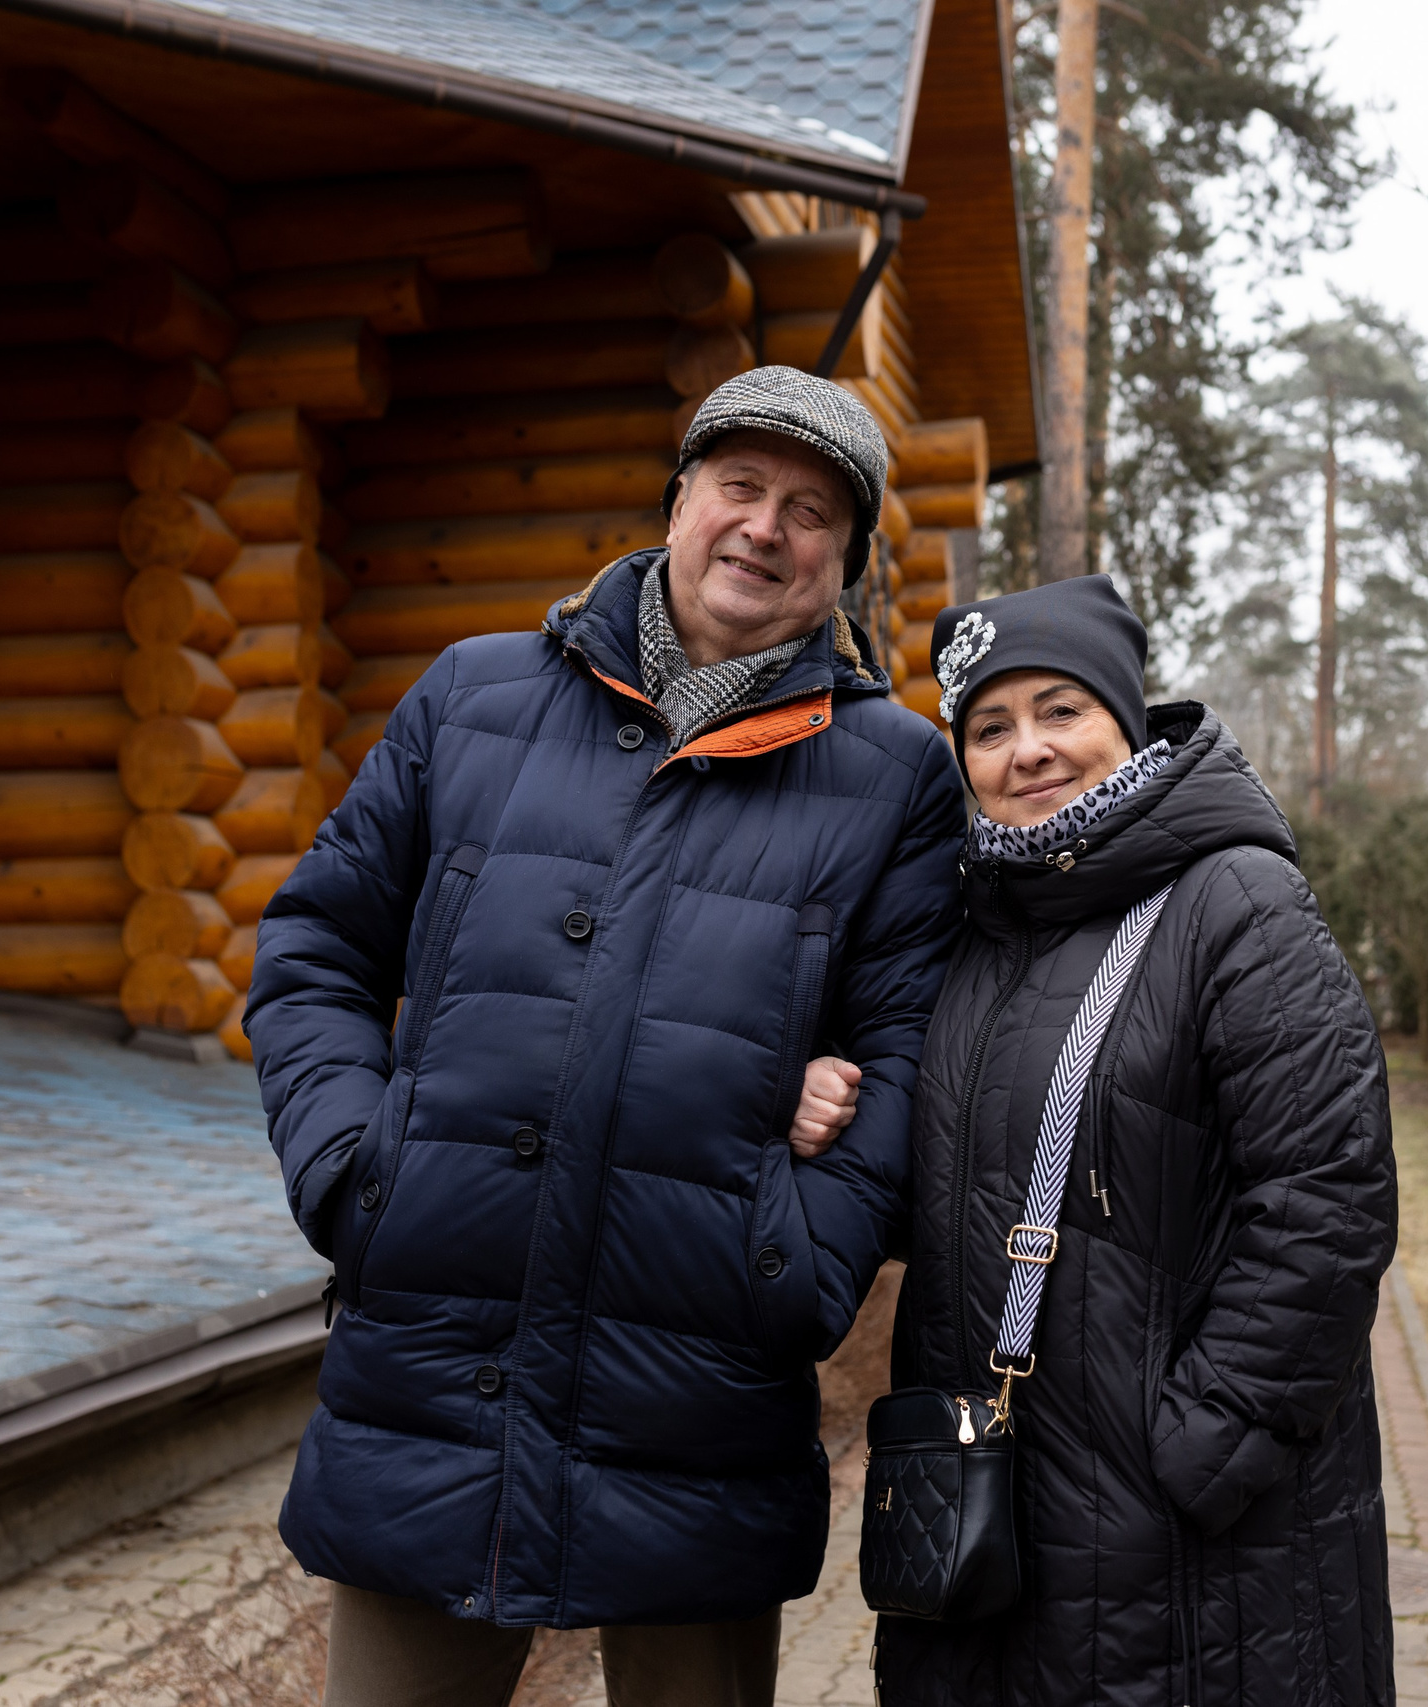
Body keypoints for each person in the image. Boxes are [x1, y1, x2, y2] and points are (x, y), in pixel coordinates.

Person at [246, 367, 966, 1707]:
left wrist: (800, 1249)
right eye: (739, 486)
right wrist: (355, 1165)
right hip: (433, 1367)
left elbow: (913, 1040)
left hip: (697, 1387)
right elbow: (314, 948)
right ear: (679, 498)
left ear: (847, 565)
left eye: (811, 510)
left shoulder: (894, 775)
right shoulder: (472, 697)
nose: (765, 527)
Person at [874, 574, 1399, 1705]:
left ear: (1126, 717)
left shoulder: (1233, 904)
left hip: (1189, 1544)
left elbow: (1328, 1197)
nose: (1028, 751)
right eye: (990, 727)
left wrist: (1209, 1441)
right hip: (995, 1518)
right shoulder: (969, 932)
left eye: (1061, 710)